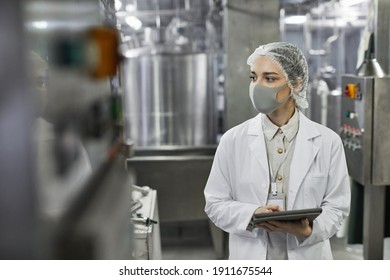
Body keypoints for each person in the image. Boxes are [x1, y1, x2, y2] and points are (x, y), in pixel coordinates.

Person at [204, 42, 351, 260]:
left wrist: (308, 230)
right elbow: (215, 203)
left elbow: (337, 207)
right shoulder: (233, 140)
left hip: (308, 258)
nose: (257, 86)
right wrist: (251, 214)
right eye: (254, 77)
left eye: (269, 78)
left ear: (296, 84)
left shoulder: (328, 142)